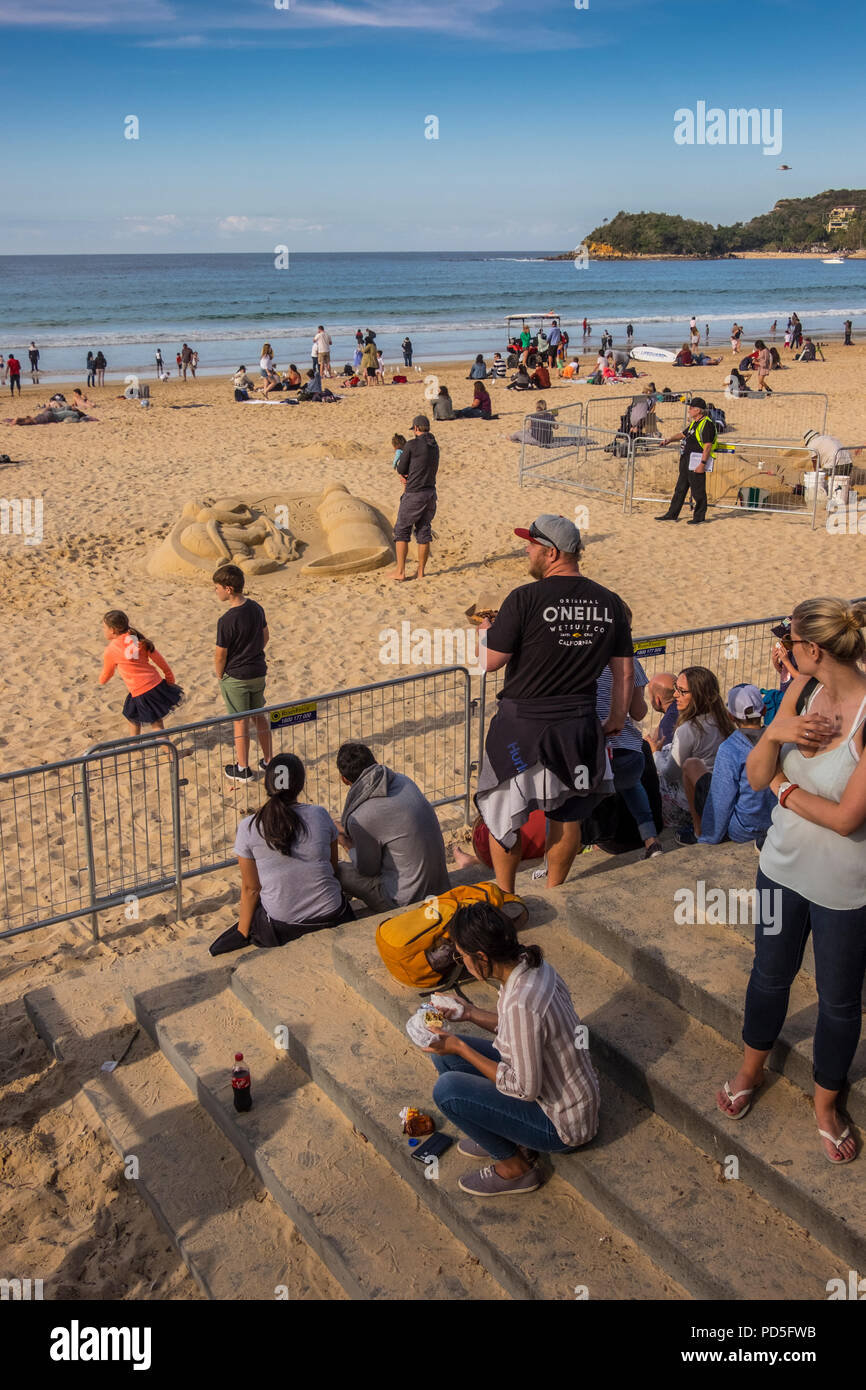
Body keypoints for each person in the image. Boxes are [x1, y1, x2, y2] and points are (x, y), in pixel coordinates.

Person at [720, 597, 866, 1166]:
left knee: (837, 1003)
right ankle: (749, 1069)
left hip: (845, 887)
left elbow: (847, 817)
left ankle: (825, 1107)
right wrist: (777, 734)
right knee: (769, 975)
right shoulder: (800, 693)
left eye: (790, 643)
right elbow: (757, 773)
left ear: (813, 650)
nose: (783, 651)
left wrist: (784, 788)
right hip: (780, 868)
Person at [476, 515, 633, 892]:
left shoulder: (524, 598)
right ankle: (556, 889)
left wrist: (483, 634)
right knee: (568, 815)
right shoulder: (608, 601)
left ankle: (507, 893)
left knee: (503, 816)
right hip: (576, 725)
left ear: (551, 552)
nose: (526, 551)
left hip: (521, 726)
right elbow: (624, 673)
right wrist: (616, 717)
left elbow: (490, 663)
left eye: (531, 545)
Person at [422, 901, 600, 1197]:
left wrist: (458, 1045)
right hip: (564, 1095)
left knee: (447, 1089)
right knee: (449, 1060)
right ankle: (504, 1133)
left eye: (461, 956)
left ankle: (515, 1169)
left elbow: (523, 1088)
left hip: (561, 1124)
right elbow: (518, 1031)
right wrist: (469, 1014)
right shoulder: (532, 966)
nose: (460, 962)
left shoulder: (521, 1003)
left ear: (481, 956)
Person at [215, 753, 355, 953]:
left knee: (262, 906)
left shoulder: (249, 826)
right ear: (300, 784)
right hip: (332, 913)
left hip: (283, 925)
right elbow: (332, 867)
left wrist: (241, 932)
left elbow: (251, 889)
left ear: (267, 784)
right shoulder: (319, 814)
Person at [332, 742, 449, 912]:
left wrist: (345, 843)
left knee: (339, 869)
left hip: (406, 902)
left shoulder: (360, 816)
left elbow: (368, 870)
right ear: (375, 762)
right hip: (440, 888)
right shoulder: (403, 780)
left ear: (344, 779)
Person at [596, 604, 664, 859]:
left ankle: (573, 848)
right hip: (626, 753)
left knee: (577, 802)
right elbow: (637, 713)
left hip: (595, 751)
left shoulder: (581, 660)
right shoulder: (631, 662)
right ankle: (651, 840)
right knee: (633, 785)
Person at [655, 666, 734, 838]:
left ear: (699, 696)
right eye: (676, 688)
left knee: (655, 775)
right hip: (722, 793)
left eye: (682, 691)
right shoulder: (724, 720)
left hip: (696, 803)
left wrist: (655, 754)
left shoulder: (688, 730)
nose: (675, 695)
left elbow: (670, 774)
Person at [213, 563, 273, 782]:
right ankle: (268, 760)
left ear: (228, 589)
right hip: (257, 671)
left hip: (237, 676)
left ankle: (243, 768)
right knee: (259, 716)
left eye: (217, 587)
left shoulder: (227, 620)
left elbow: (220, 655)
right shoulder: (256, 607)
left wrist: (220, 675)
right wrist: (253, 653)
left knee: (240, 722)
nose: (216, 591)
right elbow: (265, 636)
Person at [694, 685, 775, 845]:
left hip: (745, 831)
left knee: (701, 781)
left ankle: (697, 832)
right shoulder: (777, 740)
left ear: (730, 716)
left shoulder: (730, 748)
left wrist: (709, 838)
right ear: (764, 711)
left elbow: (721, 799)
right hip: (776, 824)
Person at [99, 609, 183, 736]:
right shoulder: (136, 638)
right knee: (132, 716)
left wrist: (101, 681)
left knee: (156, 724)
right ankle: (135, 747)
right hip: (154, 684)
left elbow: (107, 673)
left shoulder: (111, 650)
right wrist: (169, 677)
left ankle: (170, 754)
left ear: (113, 630)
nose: (103, 630)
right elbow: (159, 660)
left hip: (142, 690)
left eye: (104, 627)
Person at [655, 397, 716, 525]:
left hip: (696, 461)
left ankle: (699, 517)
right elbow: (682, 434)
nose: (689, 410)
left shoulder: (707, 424)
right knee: (680, 489)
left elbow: (708, 445)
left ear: (698, 410)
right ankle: (672, 514)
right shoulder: (695, 422)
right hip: (686, 459)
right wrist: (669, 440)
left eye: (691, 408)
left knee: (697, 491)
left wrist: (702, 464)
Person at [392, 415, 438, 581]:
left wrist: (406, 475)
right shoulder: (434, 445)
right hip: (430, 493)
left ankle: (400, 571)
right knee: (424, 530)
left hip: (415, 493)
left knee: (401, 530)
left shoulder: (412, 444)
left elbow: (401, 467)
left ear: (416, 428)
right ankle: (421, 572)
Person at [647, 673, 679, 752]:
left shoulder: (669, 721)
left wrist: (653, 751)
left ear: (657, 700)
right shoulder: (690, 708)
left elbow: (667, 759)